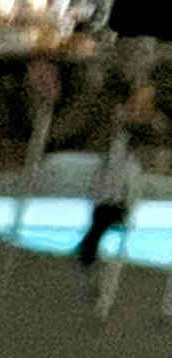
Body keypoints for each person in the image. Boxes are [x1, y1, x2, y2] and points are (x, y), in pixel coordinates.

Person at [77, 74, 159, 270]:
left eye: (145, 106)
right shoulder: (113, 127)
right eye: (135, 104)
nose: (138, 110)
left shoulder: (150, 132)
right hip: (112, 190)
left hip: (119, 190)